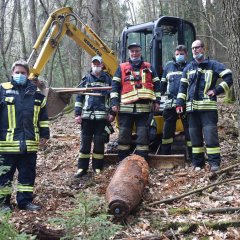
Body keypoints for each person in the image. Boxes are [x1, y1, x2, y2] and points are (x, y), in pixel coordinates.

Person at [0, 60, 50, 211]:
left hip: (29, 144)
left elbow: (43, 119)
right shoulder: (2, 89)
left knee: (27, 175)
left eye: (23, 73)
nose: (20, 75)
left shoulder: (36, 95)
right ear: (12, 73)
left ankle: (25, 202)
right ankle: (3, 203)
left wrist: (44, 136)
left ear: (28, 75)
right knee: (4, 175)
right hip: (6, 144)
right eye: (17, 72)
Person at [176, 40, 233, 171]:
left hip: (208, 109)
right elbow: (182, 87)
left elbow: (229, 77)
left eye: (197, 47)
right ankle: (198, 164)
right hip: (191, 110)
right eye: (193, 48)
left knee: (210, 137)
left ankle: (214, 164)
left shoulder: (213, 65)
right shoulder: (188, 68)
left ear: (203, 48)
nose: (195, 50)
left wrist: (216, 90)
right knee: (195, 139)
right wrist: (180, 103)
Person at [110, 43, 161, 161]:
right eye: (132, 51)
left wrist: (157, 101)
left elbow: (157, 85)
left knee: (143, 137)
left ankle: (141, 161)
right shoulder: (122, 67)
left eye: (136, 51)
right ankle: (123, 161)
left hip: (144, 110)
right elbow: (115, 86)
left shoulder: (149, 67)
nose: (134, 53)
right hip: (125, 109)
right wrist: (114, 102)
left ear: (140, 52)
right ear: (129, 53)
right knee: (124, 136)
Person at [74, 55, 114, 178]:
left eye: (98, 64)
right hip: (87, 116)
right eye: (94, 64)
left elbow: (113, 97)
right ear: (91, 65)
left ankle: (97, 167)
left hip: (102, 117)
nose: (96, 66)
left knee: (99, 142)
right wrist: (77, 114)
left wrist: (112, 113)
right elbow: (79, 97)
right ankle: (82, 168)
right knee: (85, 143)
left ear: (102, 65)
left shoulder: (108, 79)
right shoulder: (85, 79)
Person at [160, 45, 192, 159]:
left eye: (181, 54)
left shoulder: (190, 66)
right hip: (170, 104)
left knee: (189, 130)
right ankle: (165, 155)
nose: (179, 56)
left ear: (186, 55)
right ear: (174, 55)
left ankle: (192, 156)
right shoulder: (169, 66)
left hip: (186, 104)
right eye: (177, 54)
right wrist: (157, 100)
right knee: (167, 131)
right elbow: (162, 85)